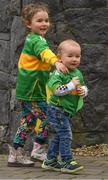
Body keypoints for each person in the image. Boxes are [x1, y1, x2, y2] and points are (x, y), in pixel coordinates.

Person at [8, 2, 68, 167]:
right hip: (32, 92)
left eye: (46, 20)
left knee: (28, 121)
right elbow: (45, 54)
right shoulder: (37, 41)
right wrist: (56, 62)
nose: (44, 24)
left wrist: (50, 72)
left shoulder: (33, 39)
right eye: (39, 20)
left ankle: (15, 153)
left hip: (28, 90)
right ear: (29, 24)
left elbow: (39, 63)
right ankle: (38, 150)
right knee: (50, 117)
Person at [42, 39, 88, 173]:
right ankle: (67, 161)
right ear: (59, 58)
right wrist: (71, 85)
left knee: (59, 135)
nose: (74, 59)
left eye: (77, 56)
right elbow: (57, 90)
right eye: (70, 56)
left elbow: (83, 86)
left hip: (65, 110)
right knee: (66, 135)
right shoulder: (58, 73)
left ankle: (50, 160)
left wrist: (83, 91)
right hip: (56, 109)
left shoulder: (77, 72)